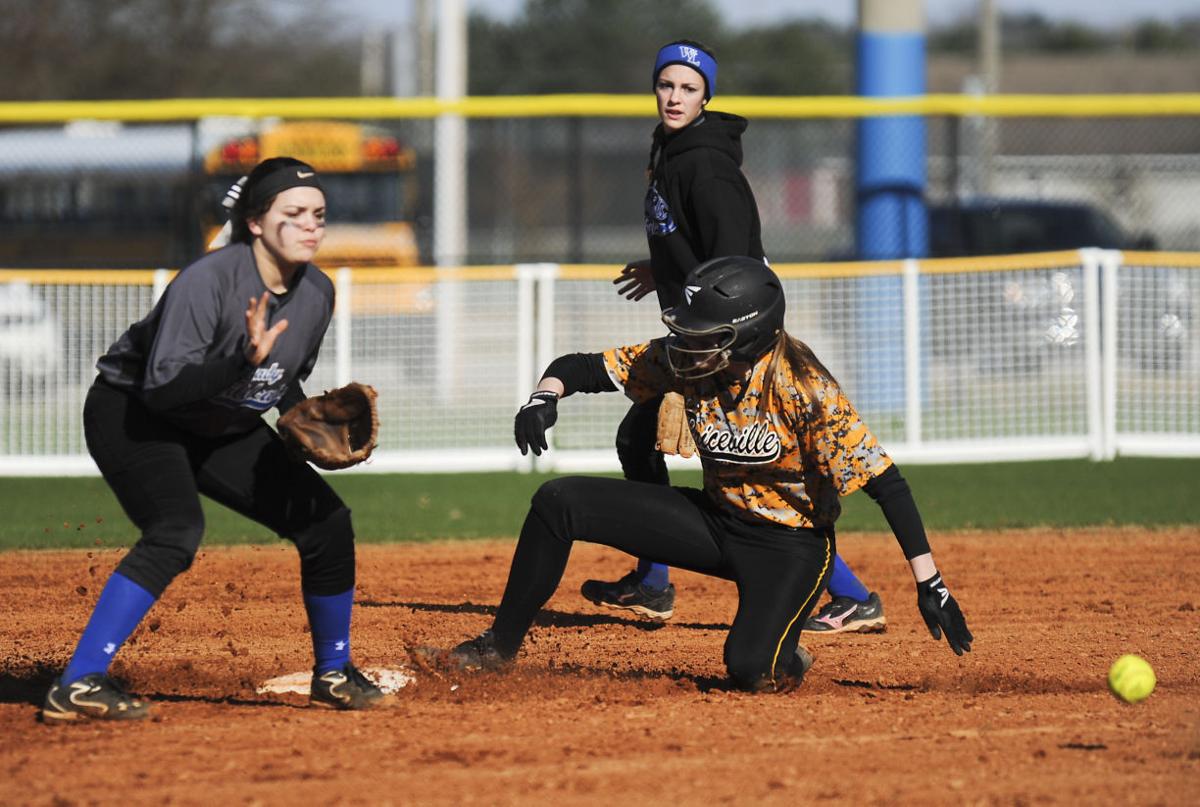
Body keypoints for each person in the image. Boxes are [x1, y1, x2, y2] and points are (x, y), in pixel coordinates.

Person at [422, 256, 972, 692]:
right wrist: (543, 397)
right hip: (715, 523)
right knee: (557, 501)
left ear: (751, 335)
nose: (687, 344)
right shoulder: (696, 358)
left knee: (751, 670)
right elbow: (582, 367)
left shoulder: (804, 387)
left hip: (792, 548)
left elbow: (886, 484)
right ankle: (499, 646)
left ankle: (783, 650)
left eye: (705, 333)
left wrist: (932, 585)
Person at [41, 157, 388, 722]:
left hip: (219, 418)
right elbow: (162, 388)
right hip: (135, 413)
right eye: (293, 213)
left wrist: (297, 409)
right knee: (176, 530)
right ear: (255, 221)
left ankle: (334, 673)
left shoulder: (317, 293)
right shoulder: (208, 283)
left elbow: (276, 371)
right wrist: (240, 360)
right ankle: (77, 684)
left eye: (319, 215)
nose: (311, 226)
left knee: (325, 522)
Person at [582, 38, 883, 629]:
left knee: (747, 475)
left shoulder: (707, 165)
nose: (674, 96)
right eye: (667, 85)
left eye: (688, 88)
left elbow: (735, 266)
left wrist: (720, 355)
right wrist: (661, 268)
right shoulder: (672, 150)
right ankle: (652, 581)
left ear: (706, 96)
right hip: (704, 342)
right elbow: (693, 243)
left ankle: (848, 593)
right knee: (643, 441)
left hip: (729, 345)